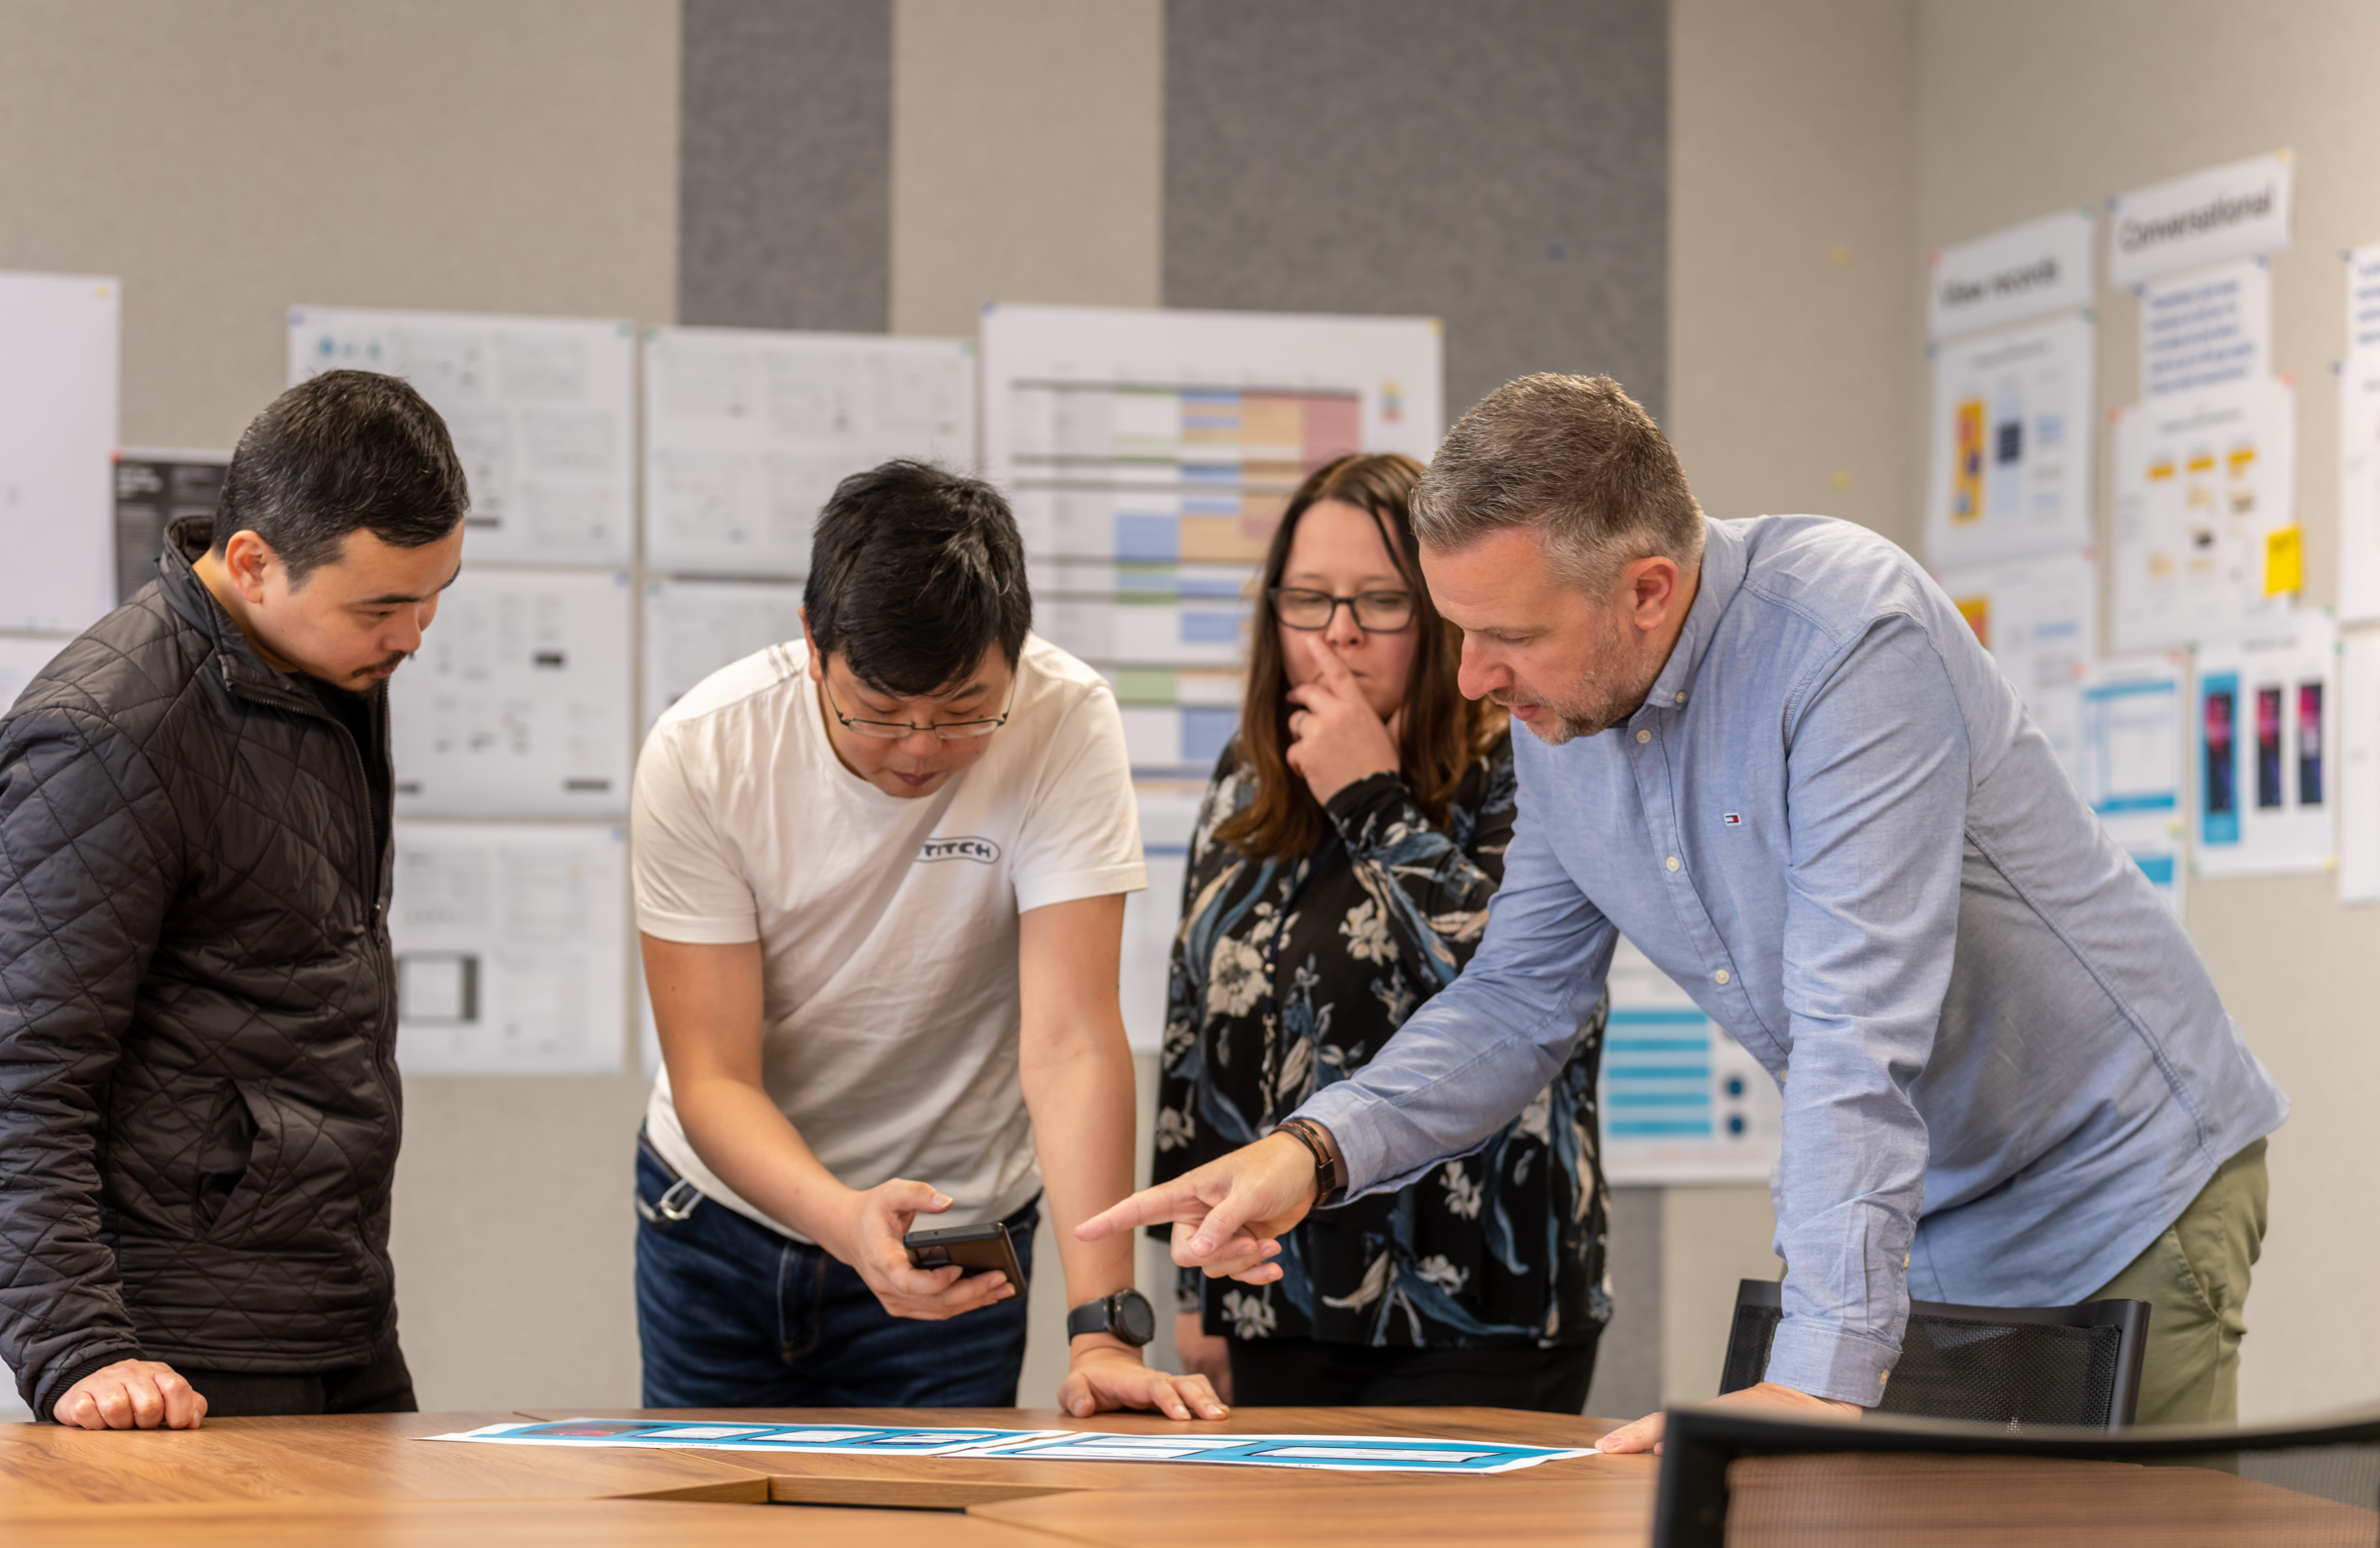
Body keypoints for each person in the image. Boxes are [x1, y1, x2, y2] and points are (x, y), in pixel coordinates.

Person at [1083, 373, 2288, 1439]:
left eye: (1507, 636)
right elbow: (1514, 1001)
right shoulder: (1569, 708)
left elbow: (1855, 1024)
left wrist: (1813, 1370)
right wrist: (1314, 1150)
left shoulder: (1846, 640)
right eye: (1459, 633)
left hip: (2113, 1177)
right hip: (1924, 1204)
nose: (1473, 680)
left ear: (1648, 589)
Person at [632, 460, 1223, 1420]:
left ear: (1015, 657)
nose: (917, 749)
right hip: (720, 1223)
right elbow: (713, 1075)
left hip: (957, 1224)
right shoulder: (705, 751)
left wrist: (1103, 1328)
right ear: (813, 646)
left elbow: (1071, 1039)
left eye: (961, 715)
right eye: (876, 714)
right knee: (712, 1510)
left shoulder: (1064, 720)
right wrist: (844, 1221)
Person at [0, 371, 470, 1428]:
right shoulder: (110, 732)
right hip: (176, 1339)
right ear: (252, 562)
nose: (415, 634)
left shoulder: (318, 672)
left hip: (339, 1303)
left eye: (436, 594)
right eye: (384, 605)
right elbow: (23, 1065)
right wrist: (76, 1345)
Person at [1156, 453, 1607, 1411]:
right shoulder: (1249, 774)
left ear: (1442, 611)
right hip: (1281, 1297)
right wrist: (1194, 1282)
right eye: (1308, 599)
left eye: (1380, 602)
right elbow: (1198, 1029)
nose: (1339, 634)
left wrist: (1373, 800)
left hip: (1484, 1297)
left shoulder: (1529, 760)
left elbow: (1520, 991)